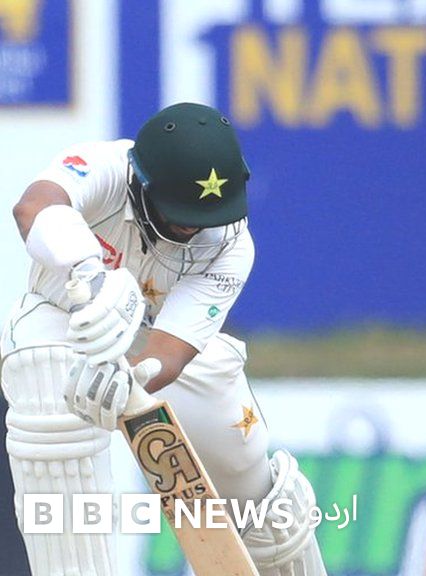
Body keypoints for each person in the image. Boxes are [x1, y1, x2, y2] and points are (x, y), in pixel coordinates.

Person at [1, 103, 326, 575]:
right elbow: (32, 208)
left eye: (203, 218)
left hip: (152, 347)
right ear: (142, 182)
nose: (192, 229)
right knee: (43, 370)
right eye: (181, 217)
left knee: (246, 473)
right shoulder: (103, 166)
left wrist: (130, 380)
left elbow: (169, 353)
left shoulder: (232, 244)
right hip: (62, 317)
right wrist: (90, 272)